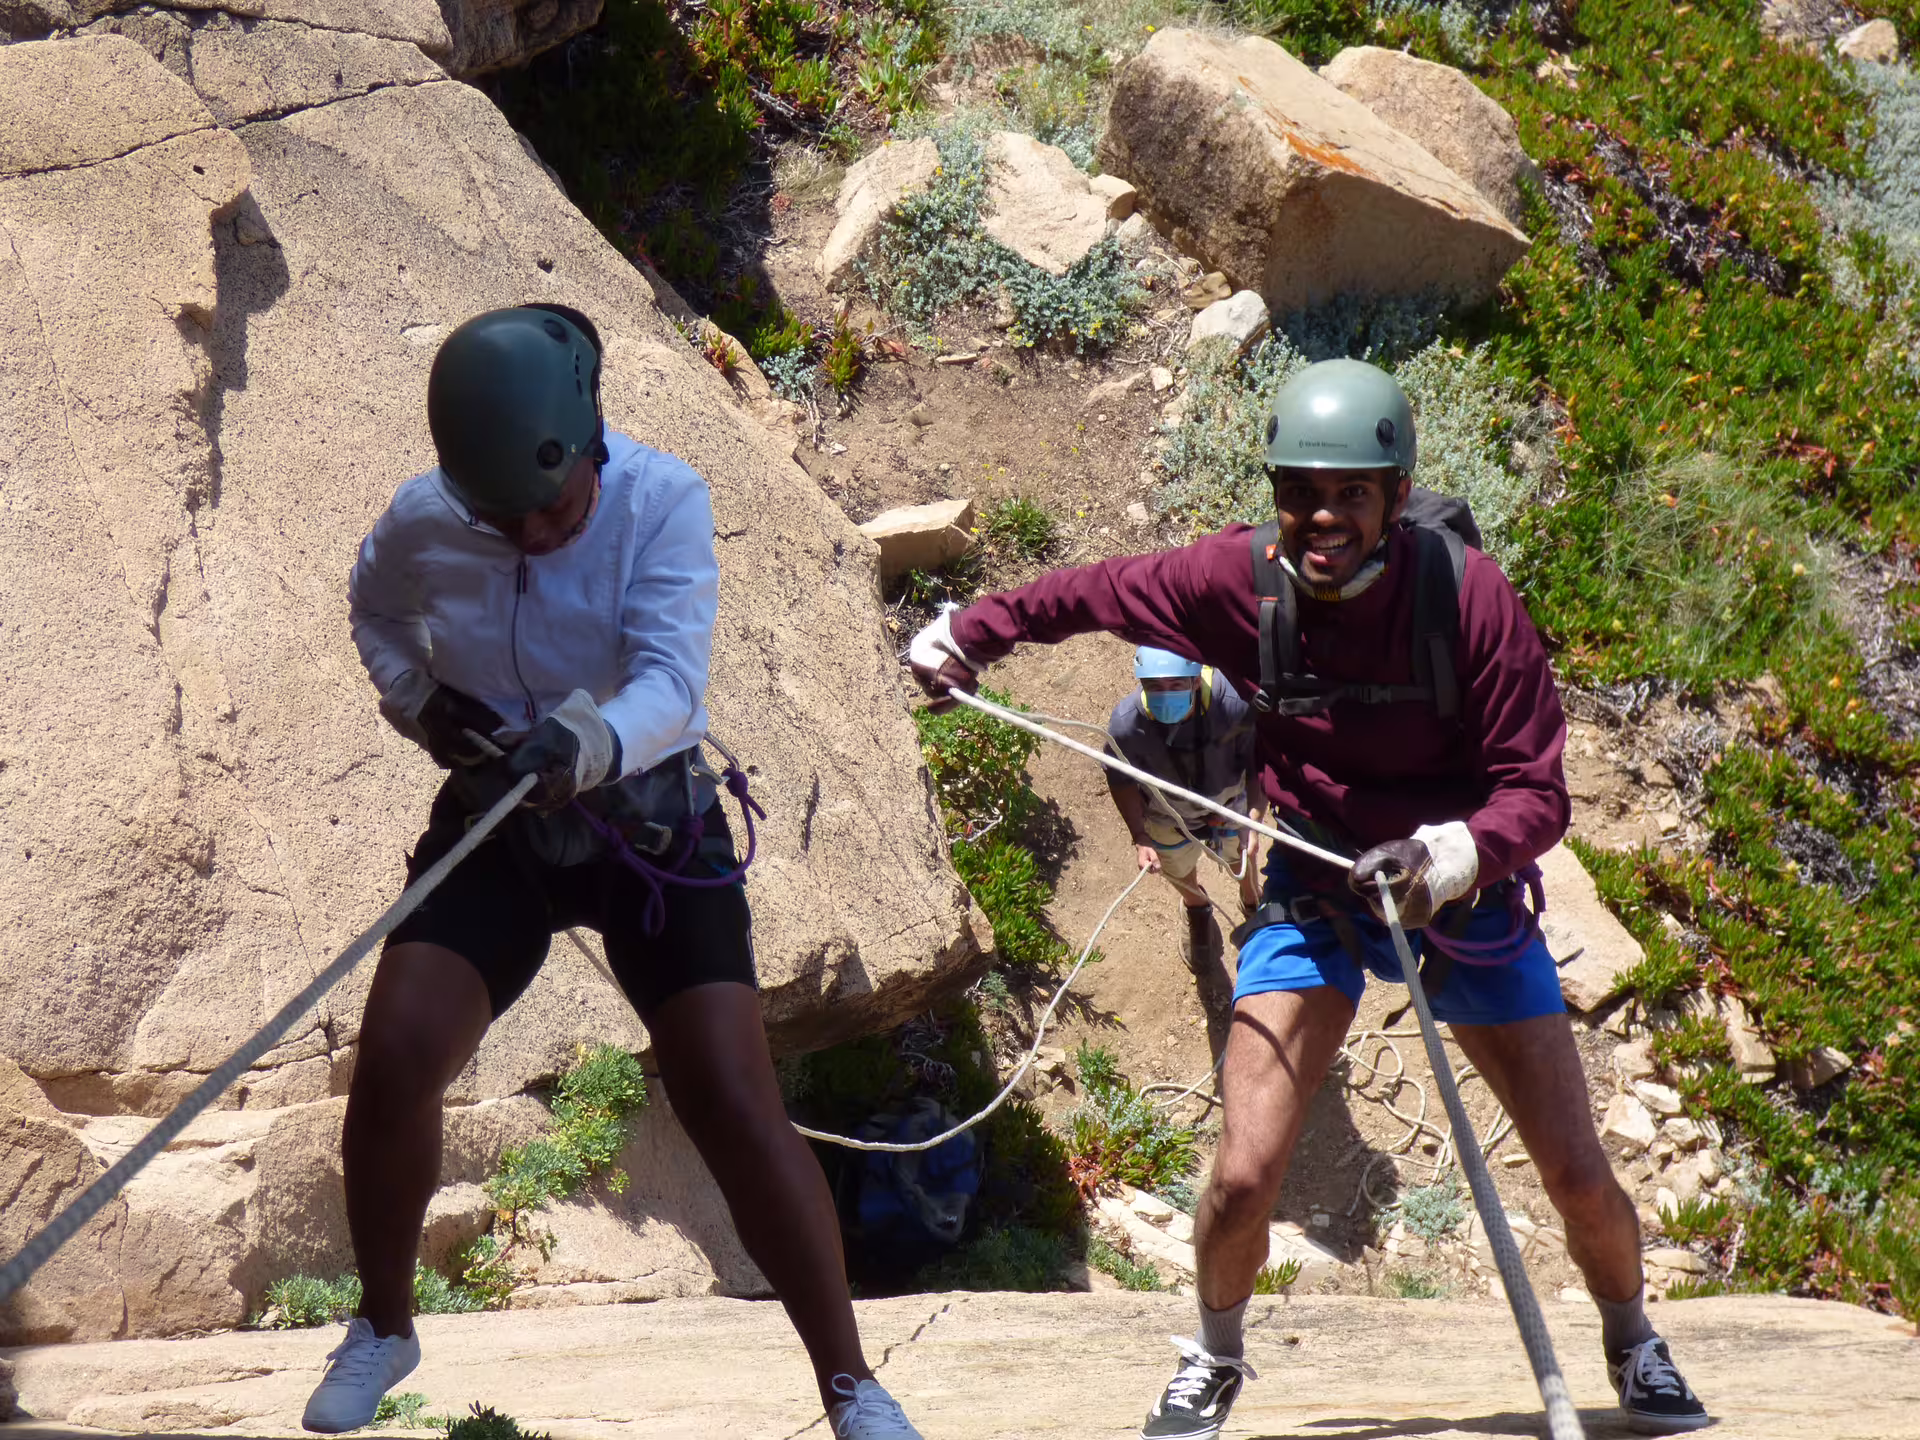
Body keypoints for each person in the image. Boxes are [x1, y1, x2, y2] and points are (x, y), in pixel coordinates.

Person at [908, 359, 1709, 1439]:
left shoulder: (1471, 601)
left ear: (1392, 495)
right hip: (1317, 880)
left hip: (1460, 895)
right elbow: (1089, 594)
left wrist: (1452, 857)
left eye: (1349, 494)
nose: (1322, 516)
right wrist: (974, 632)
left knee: (1573, 1172)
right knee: (1242, 1177)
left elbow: (1536, 791)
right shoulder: (1237, 581)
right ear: (1277, 490)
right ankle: (1216, 1355)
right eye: (1301, 491)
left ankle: (1634, 1340)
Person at [306, 305, 924, 1440]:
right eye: (507, 517)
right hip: (501, 821)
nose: (536, 535)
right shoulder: (425, 520)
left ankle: (851, 1382)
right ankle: (385, 1325)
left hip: (648, 825)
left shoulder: (660, 501)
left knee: (729, 1098)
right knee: (395, 1054)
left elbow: (670, 682)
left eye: (552, 507)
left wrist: (581, 745)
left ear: (593, 438)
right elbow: (374, 613)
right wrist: (425, 704)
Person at [1107, 647, 1263, 974]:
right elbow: (1120, 780)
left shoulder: (1234, 706)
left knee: (1242, 857)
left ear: (1194, 680)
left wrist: (1254, 820)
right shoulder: (1126, 727)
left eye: (1176, 684)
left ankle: (1251, 900)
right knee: (1177, 869)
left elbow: (1259, 765)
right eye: (1154, 686)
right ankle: (1196, 906)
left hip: (1229, 805)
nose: (1165, 695)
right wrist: (1140, 835)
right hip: (1167, 815)